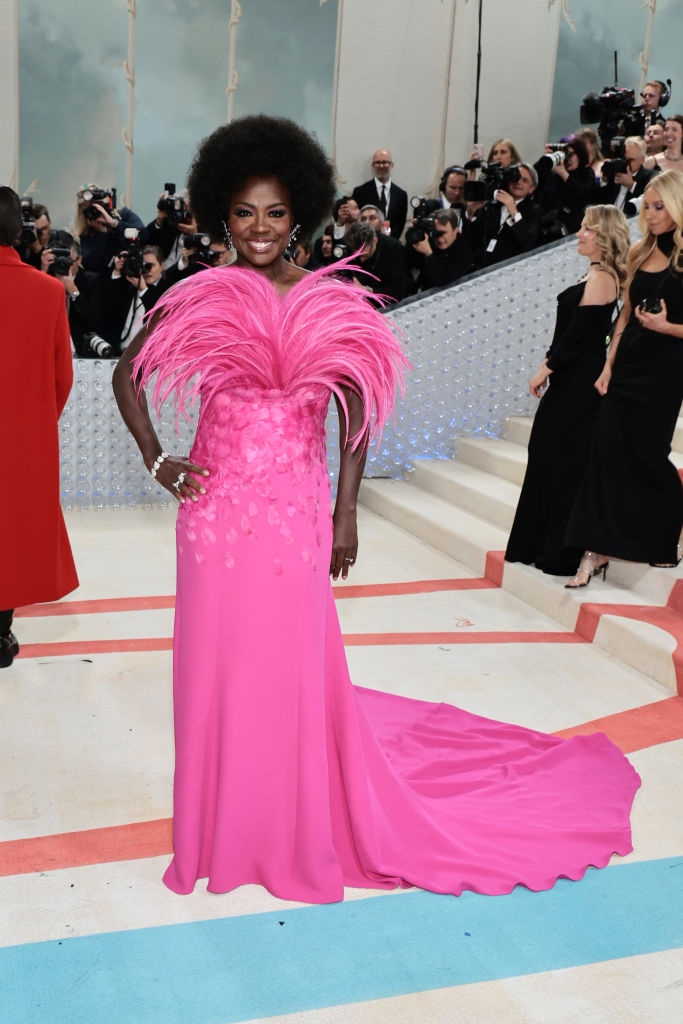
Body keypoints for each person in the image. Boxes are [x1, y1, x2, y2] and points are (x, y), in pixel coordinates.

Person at [113, 114, 638, 904]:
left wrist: (344, 512)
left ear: (302, 215)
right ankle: (220, 826)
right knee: (214, 668)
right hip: (214, 514)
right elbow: (129, 374)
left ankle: (285, 821)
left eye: (277, 213)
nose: (260, 228)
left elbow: (355, 411)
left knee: (287, 663)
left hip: (294, 511)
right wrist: (158, 459)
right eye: (246, 213)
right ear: (223, 213)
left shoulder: (331, 301)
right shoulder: (200, 294)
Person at [565, 170, 683, 583]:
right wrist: (608, 366)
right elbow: (624, 318)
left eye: (659, 207)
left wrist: (667, 328)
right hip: (628, 365)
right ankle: (595, 549)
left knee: (649, 456)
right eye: (647, 207)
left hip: (667, 370)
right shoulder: (637, 253)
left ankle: (666, 537)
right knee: (605, 453)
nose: (650, 215)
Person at [505, 205, 630, 576]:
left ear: (603, 236)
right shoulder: (594, 274)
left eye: (586, 229)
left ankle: (558, 552)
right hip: (570, 379)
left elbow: (579, 335)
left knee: (561, 462)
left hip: (578, 384)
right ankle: (539, 545)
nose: (579, 234)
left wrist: (546, 366)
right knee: (548, 456)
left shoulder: (604, 276)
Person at [0, 187, 78, 667]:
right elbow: (61, 378)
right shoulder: (48, 291)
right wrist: (30, 423)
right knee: (12, 529)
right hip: (22, 439)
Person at [536, 135, 597, 237]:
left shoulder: (587, 173)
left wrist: (563, 173)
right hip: (551, 228)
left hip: (576, 227)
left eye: (571, 154)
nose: (568, 159)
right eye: (565, 155)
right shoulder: (553, 175)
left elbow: (584, 195)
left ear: (580, 155)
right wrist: (544, 161)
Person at [343, 221, 408, 304]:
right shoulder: (349, 245)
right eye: (357, 256)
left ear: (375, 241)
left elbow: (398, 292)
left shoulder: (394, 249)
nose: (361, 260)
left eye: (364, 255)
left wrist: (367, 291)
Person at [412, 207, 473, 290]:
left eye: (443, 233)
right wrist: (415, 235)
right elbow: (411, 262)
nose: (440, 239)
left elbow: (443, 281)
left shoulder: (463, 250)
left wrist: (429, 254)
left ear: (455, 230)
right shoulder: (430, 240)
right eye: (436, 233)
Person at [352, 149, 408, 239]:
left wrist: (389, 242)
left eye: (385, 162)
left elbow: (400, 223)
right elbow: (356, 221)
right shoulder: (360, 192)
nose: (381, 166)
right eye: (377, 163)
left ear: (391, 165)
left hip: (391, 245)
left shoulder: (401, 195)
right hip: (366, 242)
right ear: (373, 166)